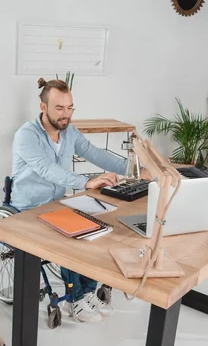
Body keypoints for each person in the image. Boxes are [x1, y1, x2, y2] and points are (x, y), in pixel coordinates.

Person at [10, 77, 132, 323]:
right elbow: (46, 169)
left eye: (70, 108)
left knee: (100, 227)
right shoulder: (27, 135)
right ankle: (74, 300)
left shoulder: (70, 132)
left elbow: (96, 154)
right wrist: (86, 182)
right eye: (59, 108)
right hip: (29, 208)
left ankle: (88, 292)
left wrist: (134, 169)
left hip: (57, 203)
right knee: (73, 237)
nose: (66, 114)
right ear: (43, 107)